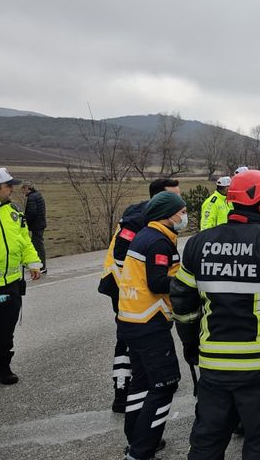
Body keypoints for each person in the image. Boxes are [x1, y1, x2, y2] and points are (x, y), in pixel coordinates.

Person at [170, 169, 260, 460]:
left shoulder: (198, 244)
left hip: (214, 366)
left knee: (207, 443)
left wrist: (191, 346)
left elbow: (183, 306)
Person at [98, 178, 180, 413]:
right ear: (159, 198)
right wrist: (139, 281)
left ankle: (143, 381)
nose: (178, 201)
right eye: (173, 195)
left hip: (134, 285)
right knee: (128, 339)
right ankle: (121, 389)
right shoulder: (137, 217)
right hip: (123, 285)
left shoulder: (159, 220)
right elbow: (121, 255)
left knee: (138, 339)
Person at [117, 192, 187, 460]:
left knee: (142, 383)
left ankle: (135, 440)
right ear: (168, 215)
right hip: (150, 322)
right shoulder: (158, 241)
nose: (184, 216)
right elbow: (158, 282)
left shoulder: (146, 235)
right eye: (181, 212)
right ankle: (142, 450)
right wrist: (187, 283)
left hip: (131, 320)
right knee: (165, 384)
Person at [0, 167, 43, 385]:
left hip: (10, 284)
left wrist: (33, 262)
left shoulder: (13, 211)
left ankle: (1, 367)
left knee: (5, 331)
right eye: (8, 186)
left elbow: (23, 239)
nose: (12, 189)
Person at [21, 181, 47, 274]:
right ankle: (35, 264)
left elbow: (32, 212)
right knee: (35, 244)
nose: (22, 191)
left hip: (37, 225)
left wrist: (26, 222)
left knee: (38, 245)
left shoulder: (32, 197)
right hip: (40, 224)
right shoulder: (37, 195)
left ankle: (42, 266)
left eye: (23, 189)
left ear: (27, 188)